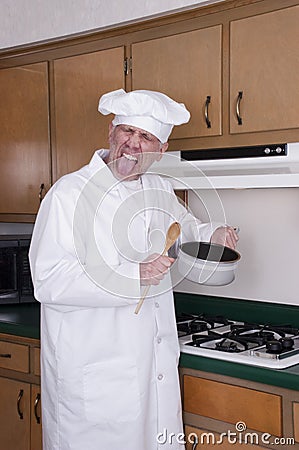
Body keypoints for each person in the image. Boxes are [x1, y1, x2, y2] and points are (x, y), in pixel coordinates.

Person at [29, 88, 238, 450]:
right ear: (111, 132)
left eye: (146, 137)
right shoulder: (69, 195)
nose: (133, 144)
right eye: (127, 131)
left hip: (151, 369)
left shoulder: (158, 189)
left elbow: (186, 228)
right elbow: (48, 282)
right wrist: (132, 274)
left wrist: (213, 233)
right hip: (95, 376)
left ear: (160, 149)